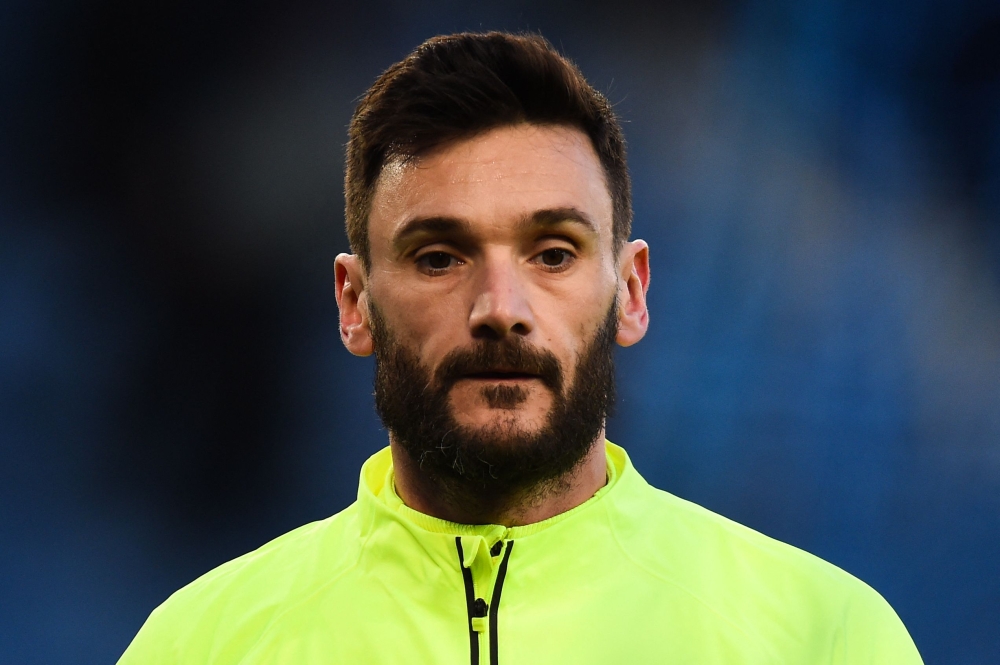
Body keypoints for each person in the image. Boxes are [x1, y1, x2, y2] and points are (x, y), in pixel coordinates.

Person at [118, 31, 923, 664]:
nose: (500, 309)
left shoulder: (826, 639)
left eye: (553, 252)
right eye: (439, 257)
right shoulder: (199, 645)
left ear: (632, 291)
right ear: (354, 303)